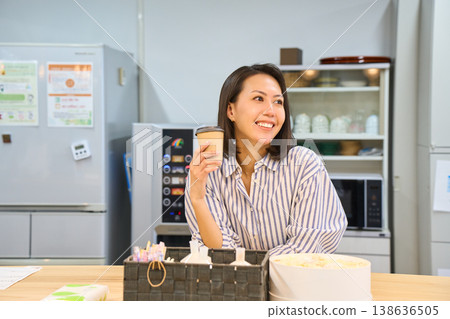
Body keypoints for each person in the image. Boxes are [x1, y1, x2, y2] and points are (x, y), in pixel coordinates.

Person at [185, 63, 347, 256]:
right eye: (258, 98)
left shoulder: (304, 165)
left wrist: (248, 269)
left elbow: (306, 248)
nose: (271, 111)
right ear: (231, 111)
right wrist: (197, 198)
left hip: (293, 284)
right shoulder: (207, 171)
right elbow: (219, 252)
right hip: (234, 285)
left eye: (278, 102)